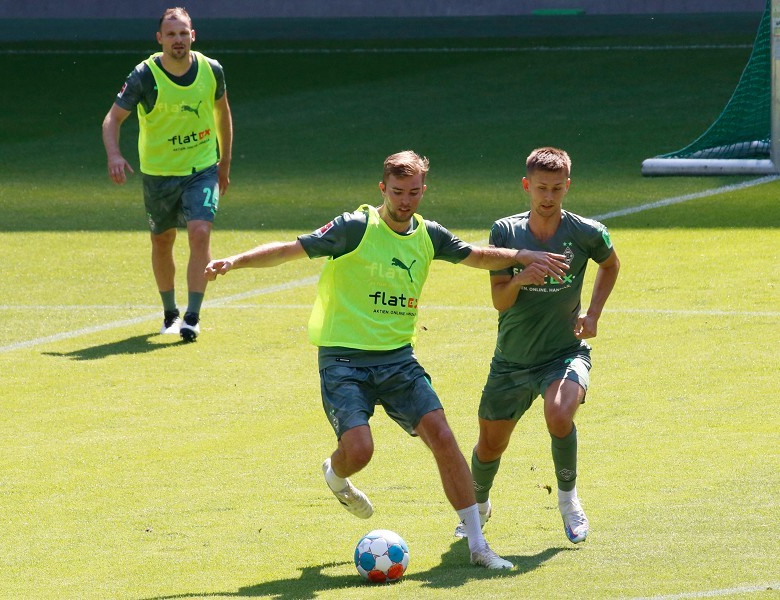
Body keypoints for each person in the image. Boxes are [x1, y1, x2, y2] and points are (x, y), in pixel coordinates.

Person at [205, 151, 570, 569]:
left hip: (398, 360)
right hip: (344, 360)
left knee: (444, 437)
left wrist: (520, 256)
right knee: (359, 451)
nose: (406, 201)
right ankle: (335, 474)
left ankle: (477, 545)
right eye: (397, 192)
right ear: (383, 189)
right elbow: (290, 250)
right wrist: (235, 261)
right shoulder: (355, 228)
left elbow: (474, 255)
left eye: (414, 192)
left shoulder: (429, 235)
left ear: (423, 191)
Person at [459, 146, 620, 545]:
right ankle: (477, 508)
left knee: (559, 414)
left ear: (568, 186)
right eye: (541, 189)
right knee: (490, 445)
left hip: (564, 352)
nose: (548, 198)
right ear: (526, 186)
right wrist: (519, 278)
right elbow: (500, 301)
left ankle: (568, 502)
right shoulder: (506, 233)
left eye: (557, 189)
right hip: (512, 361)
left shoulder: (586, 232)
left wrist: (594, 313)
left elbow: (611, 263)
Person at [102, 6, 233, 342]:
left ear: (193, 35)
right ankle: (170, 312)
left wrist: (224, 163)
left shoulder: (211, 70)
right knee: (162, 240)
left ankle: (192, 316)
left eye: (183, 33)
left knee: (200, 232)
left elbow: (223, 115)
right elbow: (113, 119)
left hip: (201, 168)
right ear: (160, 39)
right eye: (171, 34)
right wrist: (115, 155)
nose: (178, 40)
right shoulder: (145, 75)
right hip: (159, 173)